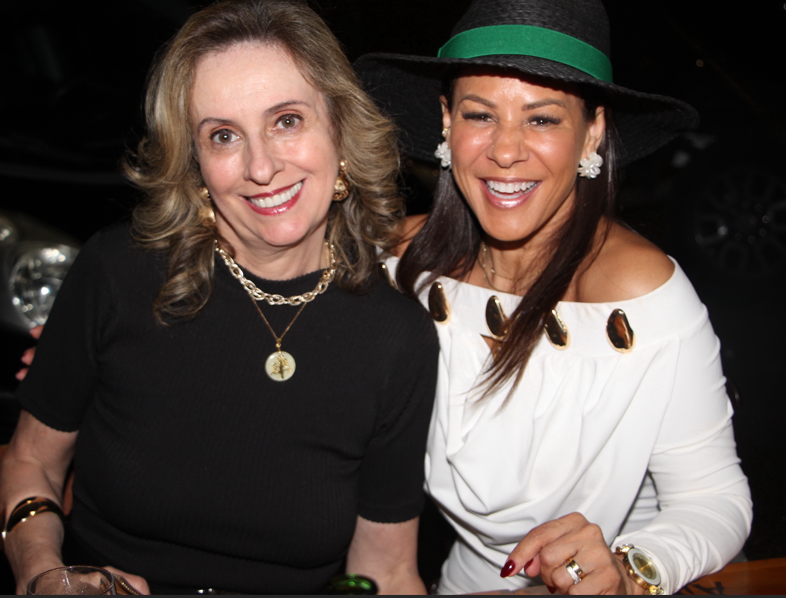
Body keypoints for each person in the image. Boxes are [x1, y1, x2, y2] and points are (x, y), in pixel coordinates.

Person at [0, 0, 438, 594]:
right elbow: (30, 462)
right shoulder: (118, 273)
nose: (261, 166)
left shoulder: (395, 339)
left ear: (340, 128)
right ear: (195, 163)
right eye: (224, 136)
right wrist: (44, 574)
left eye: (287, 121)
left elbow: (384, 571)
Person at [355, 0, 752, 594]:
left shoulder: (640, 295)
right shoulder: (398, 267)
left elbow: (715, 500)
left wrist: (631, 568)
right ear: (446, 121)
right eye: (480, 115)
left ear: (592, 132)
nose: (506, 150)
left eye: (541, 120)